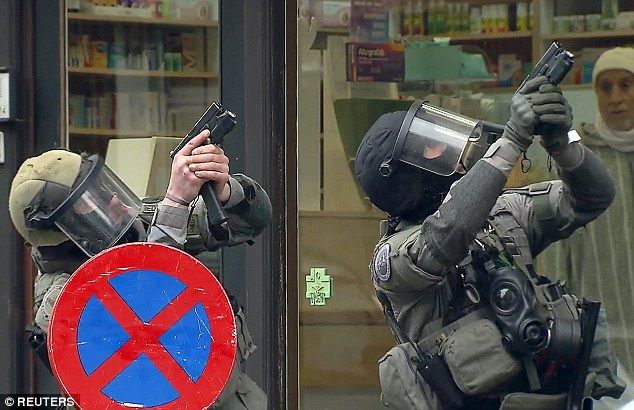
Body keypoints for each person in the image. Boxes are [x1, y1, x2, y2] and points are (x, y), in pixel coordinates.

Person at [354, 75, 625, 409]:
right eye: (430, 147)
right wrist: (511, 142)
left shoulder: (502, 213)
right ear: (402, 177)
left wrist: (563, 144)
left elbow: (593, 198)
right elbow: (446, 234)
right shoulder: (394, 256)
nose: (447, 150)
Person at [8, 129, 271, 409]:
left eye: (100, 188)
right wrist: (174, 206)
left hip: (232, 394)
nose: (112, 200)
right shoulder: (60, 305)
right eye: (88, 202)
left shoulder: (131, 226)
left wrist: (225, 191)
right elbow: (147, 324)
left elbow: (250, 221)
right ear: (61, 230)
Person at [534, 46, 634, 407]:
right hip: (601, 333)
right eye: (605, 88)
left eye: (626, 85)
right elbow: (555, 248)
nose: (616, 98)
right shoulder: (578, 160)